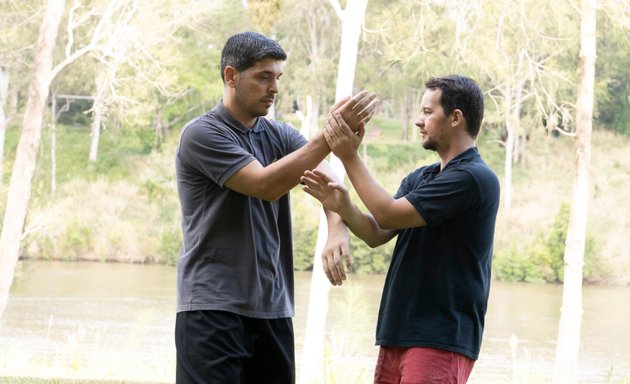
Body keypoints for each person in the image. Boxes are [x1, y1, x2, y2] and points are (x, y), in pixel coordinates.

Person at [174, 31, 376, 383]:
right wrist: (329, 135)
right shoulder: (202, 134)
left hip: (273, 308)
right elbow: (263, 185)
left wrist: (336, 228)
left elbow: (331, 187)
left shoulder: (281, 136)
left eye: (277, 78)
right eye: (264, 77)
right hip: (211, 308)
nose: (274, 88)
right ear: (231, 76)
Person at [301, 75, 500, 383]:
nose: (419, 121)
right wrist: (343, 208)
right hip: (398, 334)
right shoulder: (421, 178)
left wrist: (349, 155)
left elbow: (388, 213)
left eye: (427, 112)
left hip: (439, 338)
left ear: (456, 118)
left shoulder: (473, 178)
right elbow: (376, 232)